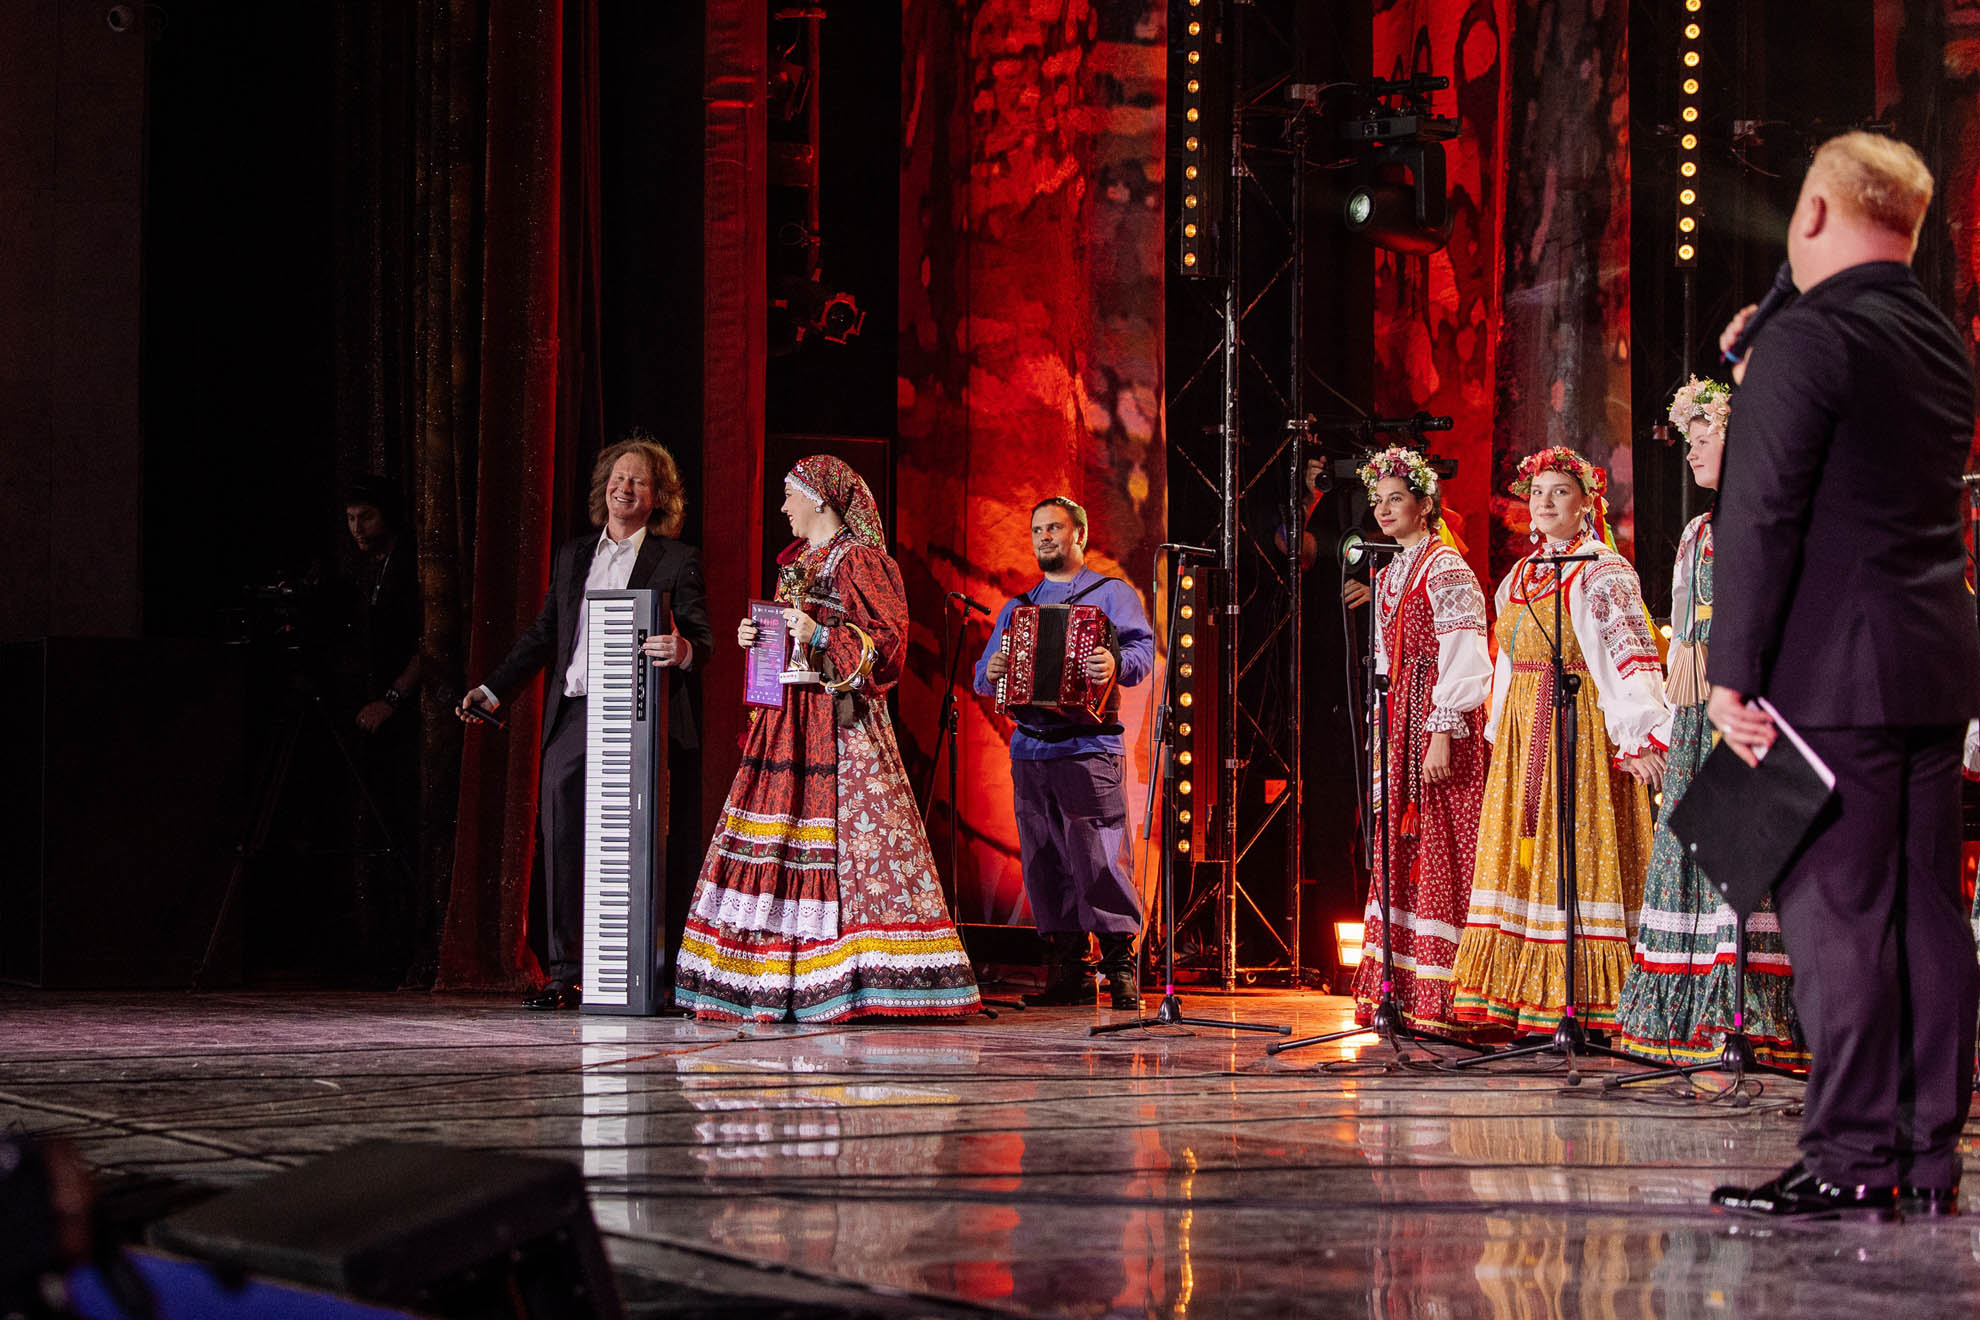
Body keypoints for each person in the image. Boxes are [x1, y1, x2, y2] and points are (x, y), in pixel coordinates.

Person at [1705, 133, 1980, 1218]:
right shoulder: (1939, 340)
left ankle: (1854, 1152)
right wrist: (1769, 343)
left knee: (1840, 913)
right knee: (1923, 911)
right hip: (1928, 667)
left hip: (1827, 674)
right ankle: (1922, 1155)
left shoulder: (1810, 338)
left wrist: (1732, 672)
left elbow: (1760, 512)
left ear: (1812, 214)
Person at [673, 456, 981, 1021]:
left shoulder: (859, 560)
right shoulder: (797, 563)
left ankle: (860, 977)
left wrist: (821, 635)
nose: (783, 507)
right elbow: (783, 650)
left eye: (790, 495)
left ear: (818, 498)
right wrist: (759, 638)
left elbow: (889, 644)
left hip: (839, 720)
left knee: (856, 840)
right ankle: (769, 974)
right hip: (787, 722)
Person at [459, 436, 714, 1010]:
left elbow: (702, 640)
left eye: (639, 481)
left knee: (642, 841)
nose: (625, 488)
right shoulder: (574, 555)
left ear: (658, 497)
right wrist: (494, 690)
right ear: (604, 488)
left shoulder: (677, 559)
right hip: (578, 710)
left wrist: (682, 650)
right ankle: (565, 972)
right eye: (618, 478)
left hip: (642, 715)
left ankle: (650, 973)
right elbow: (545, 634)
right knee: (562, 832)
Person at [1614, 380, 1807, 1072]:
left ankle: (1751, 1006)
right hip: (1702, 717)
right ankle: (1691, 1002)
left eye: (1705, 439)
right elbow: (1684, 635)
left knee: (1751, 859)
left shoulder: (1779, 520)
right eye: (1689, 441)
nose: (1692, 452)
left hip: (1755, 707)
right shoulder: (1698, 533)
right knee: (1693, 848)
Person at [1450, 447, 1669, 1034]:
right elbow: (1506, 661)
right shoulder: (1522, 575)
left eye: (1560, 491)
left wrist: (1640, 735)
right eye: (1537, 492)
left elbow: (1628, 654)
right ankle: (1523, 996)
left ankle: (1584, 1000)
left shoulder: (1602, 571)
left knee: (1578, 848)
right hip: (1525, 735)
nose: (1544, 502)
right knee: (1524, 855)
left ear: (1586, 504)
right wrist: (1500, 728)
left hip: (1580, 732)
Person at [974, 497, 1155, 1009]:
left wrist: (1113, 662)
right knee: (1044, 859)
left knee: (1100, 855)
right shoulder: (1018, 607)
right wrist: (991, 671)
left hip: (1090, 745)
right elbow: (984, 675)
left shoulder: (1112, 593)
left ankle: (1119, 967)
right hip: (1031, 750)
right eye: (1037, 530)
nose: (1044, 537)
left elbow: (1141, 652)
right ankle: (1069, 972)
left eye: (1054, 528)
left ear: (1080, 534)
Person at [1346, 449, 1493, 1034]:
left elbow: (1466, 656)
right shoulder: (1390, 573)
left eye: (1396, 499)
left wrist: (1441, 730)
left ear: (1425, 504)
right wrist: (1381, 725)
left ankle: (1448, 993)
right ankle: (1402, 990)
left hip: (1438, 719)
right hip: (1401, 715)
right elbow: (1387, 660)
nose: (1384, 511)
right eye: (1378, 502)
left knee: (1443, 839)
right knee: (1401, 846)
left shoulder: (1447, 568)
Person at [333, 475, 424, 984]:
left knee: (400, 826)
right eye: (350, 519)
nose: (357, 528)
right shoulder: (366, 569)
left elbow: (427, 643)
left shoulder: (409, 566)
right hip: (368, 710)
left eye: (366, 517)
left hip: (402, 715)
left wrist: (391, 699)